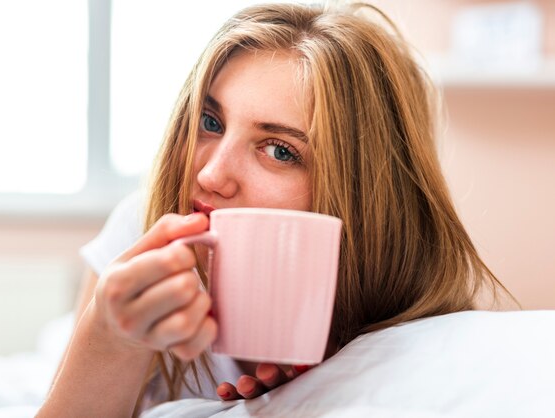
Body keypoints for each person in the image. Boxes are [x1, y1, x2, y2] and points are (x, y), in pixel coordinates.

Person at [38, 2, 514, 416]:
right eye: (210, 121)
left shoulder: (411, 337)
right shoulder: (144, 226)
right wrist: (109, 335)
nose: (210, 175)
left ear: (364, 195)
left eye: (280, 150)